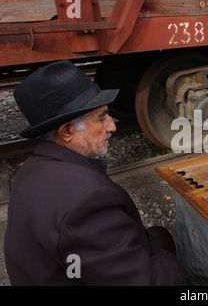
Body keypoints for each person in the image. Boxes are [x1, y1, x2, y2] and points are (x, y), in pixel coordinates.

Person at [4, 60, 187, 285]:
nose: (112, 126)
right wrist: (178, 266)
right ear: (68, 131)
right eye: (101, 118)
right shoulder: (88, 202)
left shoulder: (29, 171)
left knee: (160, 235)